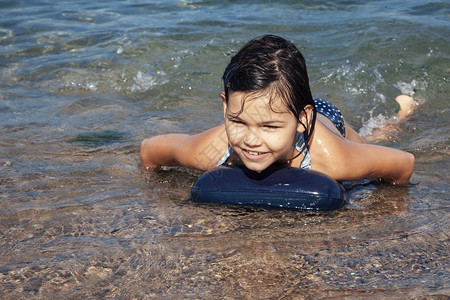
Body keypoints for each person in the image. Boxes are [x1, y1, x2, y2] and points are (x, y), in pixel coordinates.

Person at [140, 35, 415, 185]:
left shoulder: (334, 159)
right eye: (238, 122)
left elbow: (404, 164)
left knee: (374, 140)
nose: (250, 140)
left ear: (302, 118)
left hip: (325, 120)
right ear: (225, 106)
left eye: (269, 128)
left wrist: (379, 207)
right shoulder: (212, 149)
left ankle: (404, 113)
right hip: (284, 107)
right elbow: (150, 151)